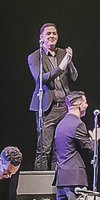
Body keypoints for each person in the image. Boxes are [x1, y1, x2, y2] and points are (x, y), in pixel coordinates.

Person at [27, 23, 78, 170]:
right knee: (44, 149)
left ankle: (58, 187)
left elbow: (74, 77)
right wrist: (60, 68)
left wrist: (70, 60)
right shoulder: (35, 57)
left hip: (65, 107)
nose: (52, 36)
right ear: (41, 38)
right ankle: (40, 188)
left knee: (60, 149)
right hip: (48, 108)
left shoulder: (63, 54)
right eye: (48, 34)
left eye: (54, 33)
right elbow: (40, 78)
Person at [54, 91, 100, 200]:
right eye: (85, 102)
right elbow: (89, 149)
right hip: (75, 179)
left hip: (61, 179)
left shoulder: (60, 125)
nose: (87, 105)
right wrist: (95, 138)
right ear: (78, 104)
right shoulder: (78, 124)